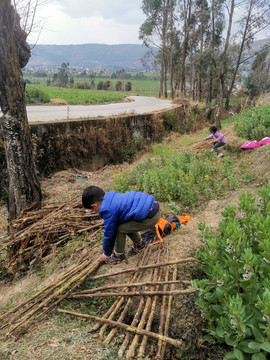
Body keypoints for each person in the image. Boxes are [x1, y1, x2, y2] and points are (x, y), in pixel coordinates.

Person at [82, 186, 160, 264]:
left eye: (93, 210)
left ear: (94, 205)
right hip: (152, 207)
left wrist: (106, 253)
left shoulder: (107, 209)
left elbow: (109, 233)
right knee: (124, 225)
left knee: (120, 229)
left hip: (150, 217)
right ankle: (140, 244)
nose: (95, 212)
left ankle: (118, 256)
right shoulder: (110, 196)